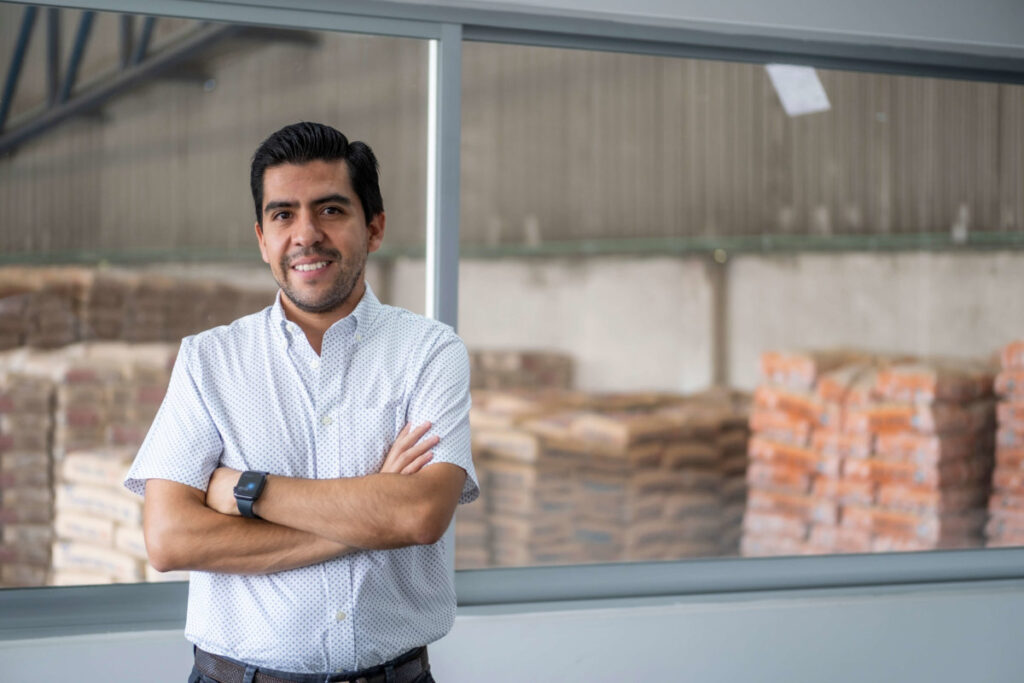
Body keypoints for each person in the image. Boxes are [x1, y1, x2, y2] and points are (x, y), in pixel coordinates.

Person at [124, 121, 478, 683]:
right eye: (283, 214)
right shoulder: (208, 360)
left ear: (375, 227)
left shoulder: (430, 352)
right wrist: (369, 509)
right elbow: (169, 541)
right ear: (262, 238)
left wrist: (246, 490)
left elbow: (418, 514)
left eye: (331, 210)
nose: (306, 234)